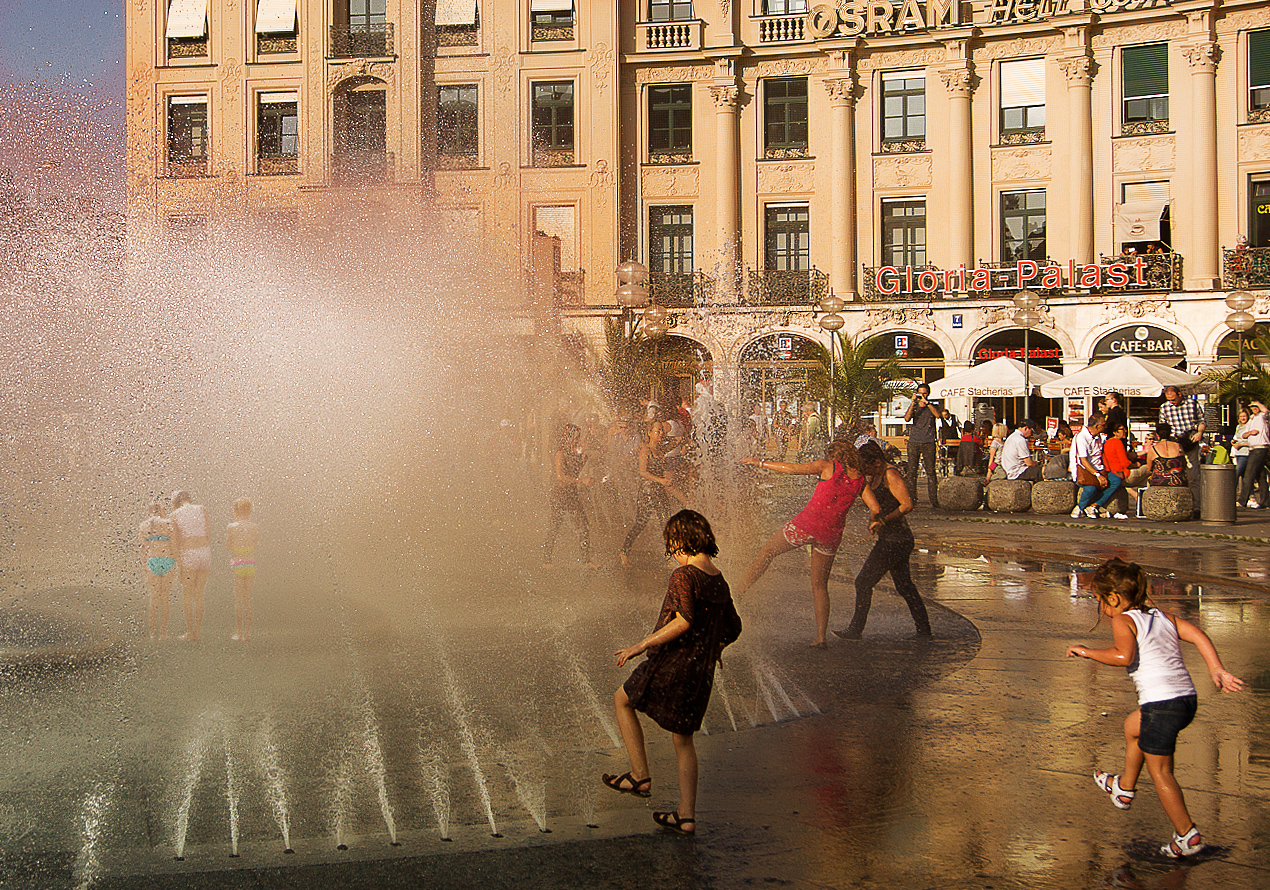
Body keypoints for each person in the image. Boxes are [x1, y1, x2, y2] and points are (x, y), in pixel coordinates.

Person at [1066, 558, 1244, 858]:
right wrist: (1216, 669)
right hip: (1185, 700)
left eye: (1100, 601)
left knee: (1161, 772)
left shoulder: (1122, 619)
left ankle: (1187, 835)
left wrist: (1086, 652)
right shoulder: (1162, 616)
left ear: (1114, 598)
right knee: (1132, 726)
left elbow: (1123, 655)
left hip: (1161, 705)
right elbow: (1198, 636)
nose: (1101, 608)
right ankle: (1123, 788)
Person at [605, 510, 740, 835]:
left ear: (681, 540)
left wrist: (639, 646)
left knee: (622, 700)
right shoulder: (718, 579)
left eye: (671, 544)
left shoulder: (685, 576)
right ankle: (686, 815)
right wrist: (715, 649)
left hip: (672, 662)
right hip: (700, 671)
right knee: (684, 741)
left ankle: (640, 775)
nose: (672, 551)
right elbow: (734, 627)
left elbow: (683, 620)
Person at [736, 440, 881, 646]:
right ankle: (820, 637)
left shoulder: (827, 466)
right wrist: (873, 521)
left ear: (835, 456)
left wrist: (759, 463)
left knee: (767, 551)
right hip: (830, 536)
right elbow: (875, 507)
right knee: (820, 586)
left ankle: (738, 592)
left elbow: (792, 469)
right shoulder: (860, 481)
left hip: (805, 526)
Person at [835, 441, 932, 640]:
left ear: (877, 461)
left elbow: (907, 505)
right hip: (894, 538)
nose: (866, 472)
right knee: (905, 586)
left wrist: (883, 521)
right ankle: (924, 630)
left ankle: (856, 630)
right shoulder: (878, 474)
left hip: (896, 540)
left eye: (868, 467)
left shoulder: (890, 474)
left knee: (863, 582)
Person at [619, 420, 687, 568]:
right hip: (648, 492)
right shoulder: (646, 450)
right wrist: (661, 480)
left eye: (662, 430)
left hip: (659, 491)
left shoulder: (660, 450)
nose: (661, 433)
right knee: (641, 523)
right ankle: (624, 551)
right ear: (649, 433)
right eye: (658, 431)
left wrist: (682, 437)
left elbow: (678, 440)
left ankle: (671, 557)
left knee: (667, 522)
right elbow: (642, 472)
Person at [543, 424, 599, 568]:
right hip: (560, 495)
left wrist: (584, 460)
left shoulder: (574, 454)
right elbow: (560, 476)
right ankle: (546, 560)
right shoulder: (560, 454)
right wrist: (582, 481)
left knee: (583, 525)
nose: (577, 440)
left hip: (572, 494)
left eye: (578, 437)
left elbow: (576, 471)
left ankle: (587, 560)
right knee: (555, 526)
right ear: (567, 437)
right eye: (575, 437)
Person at [169, 490, 211, 641]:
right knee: (199, 594)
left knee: (187, 594)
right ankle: (198, 633)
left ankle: (189, 632)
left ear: (176, 502)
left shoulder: (174, 515)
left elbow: (175, 542)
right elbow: (208, 534)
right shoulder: (202, 509)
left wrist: (179, 565)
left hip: (189, 552)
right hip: (205, 552)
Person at [1159, 386, 1206, 508]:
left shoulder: (1192, 404)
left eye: (1173, 399)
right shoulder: (1165, 407)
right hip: (1175, 443)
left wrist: (1199, 433)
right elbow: (1163, 426)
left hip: (1190, 441)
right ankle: (1179, 504)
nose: (1171, 402)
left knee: (1193, 474)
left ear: (1179, 394)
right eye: (1169, 400)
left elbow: (1202, 421)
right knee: (1176, 473)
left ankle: (1196, 504)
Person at [1071, 413, 1122, 519]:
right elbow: (1083, 461)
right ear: (1096, 426)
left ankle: (1093, 506)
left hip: (1099, 469)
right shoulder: (1081, 437)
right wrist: (1098, 475)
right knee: (1091, 489)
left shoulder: (1099, 437)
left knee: (1116, 480)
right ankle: (1080, 507)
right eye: (1104, 425)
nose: (1106, 427)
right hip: (1084, 471)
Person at [138, 501, 177, 641]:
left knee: (154, 598)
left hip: (152, 561)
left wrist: (145, 566)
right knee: (165, 598)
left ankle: (152, 633)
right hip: (167, 560)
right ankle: (163, 633)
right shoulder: (168, 524)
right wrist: (174, 561)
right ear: (161, 510)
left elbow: (143, 548)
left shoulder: (143, 526)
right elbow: (173, 545)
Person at [226, 497, 258, 642]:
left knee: (239, 600)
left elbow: (228, 546)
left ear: (236, 510)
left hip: (238, 564)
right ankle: (247, 633)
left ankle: (238, 633)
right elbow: (255, 545)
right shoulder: (254, 527)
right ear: (250, 510)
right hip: (250, 563)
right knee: (248, 600)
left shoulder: (231, 527)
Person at [904, 383, 939, 507]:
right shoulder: (915, 407)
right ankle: (912, 499)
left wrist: (927, 403)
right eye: (920, 393)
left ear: (928, 394)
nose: (922, 395)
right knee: (912, 471)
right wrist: (913, 403)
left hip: (928, 441)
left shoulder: (932, 406)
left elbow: (938, 415)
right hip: (914, 441)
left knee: (930, 471)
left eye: (924, 393)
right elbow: (907, 418)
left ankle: (934, 500)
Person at [1237, 399, 1269, 509]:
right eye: (1252, 407)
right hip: (1252, 448)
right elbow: (1244, 435)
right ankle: (1265, 502)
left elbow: (1266, 411)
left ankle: (1242, 500)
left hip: (1260, 448)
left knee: (1249, 474)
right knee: (1260, 476)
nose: (1254, 408)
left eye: (1256, 407)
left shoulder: (1262, 416)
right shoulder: (1252, 419)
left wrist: (1258, 404)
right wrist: (1251, 432)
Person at [1101, 423, 1135, 519]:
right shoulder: (1117, 442)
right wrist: (1136, 465)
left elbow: (1125, 455)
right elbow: (1125, 463)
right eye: (1122, 429)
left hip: (1112, 472)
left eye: (1125, 429)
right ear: (1115, 432)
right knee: (1147, 471)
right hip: (1122, 472)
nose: (1125, 431)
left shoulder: (1108, 442)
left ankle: (1136, 496)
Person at [1146, 423, 1188, 487]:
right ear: (1170, 434)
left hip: (1159, 484)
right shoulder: (1179, 446)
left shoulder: (1153, 449)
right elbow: (1184, 464)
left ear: (1157, 435)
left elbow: (1149, 468)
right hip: (1179, 483)